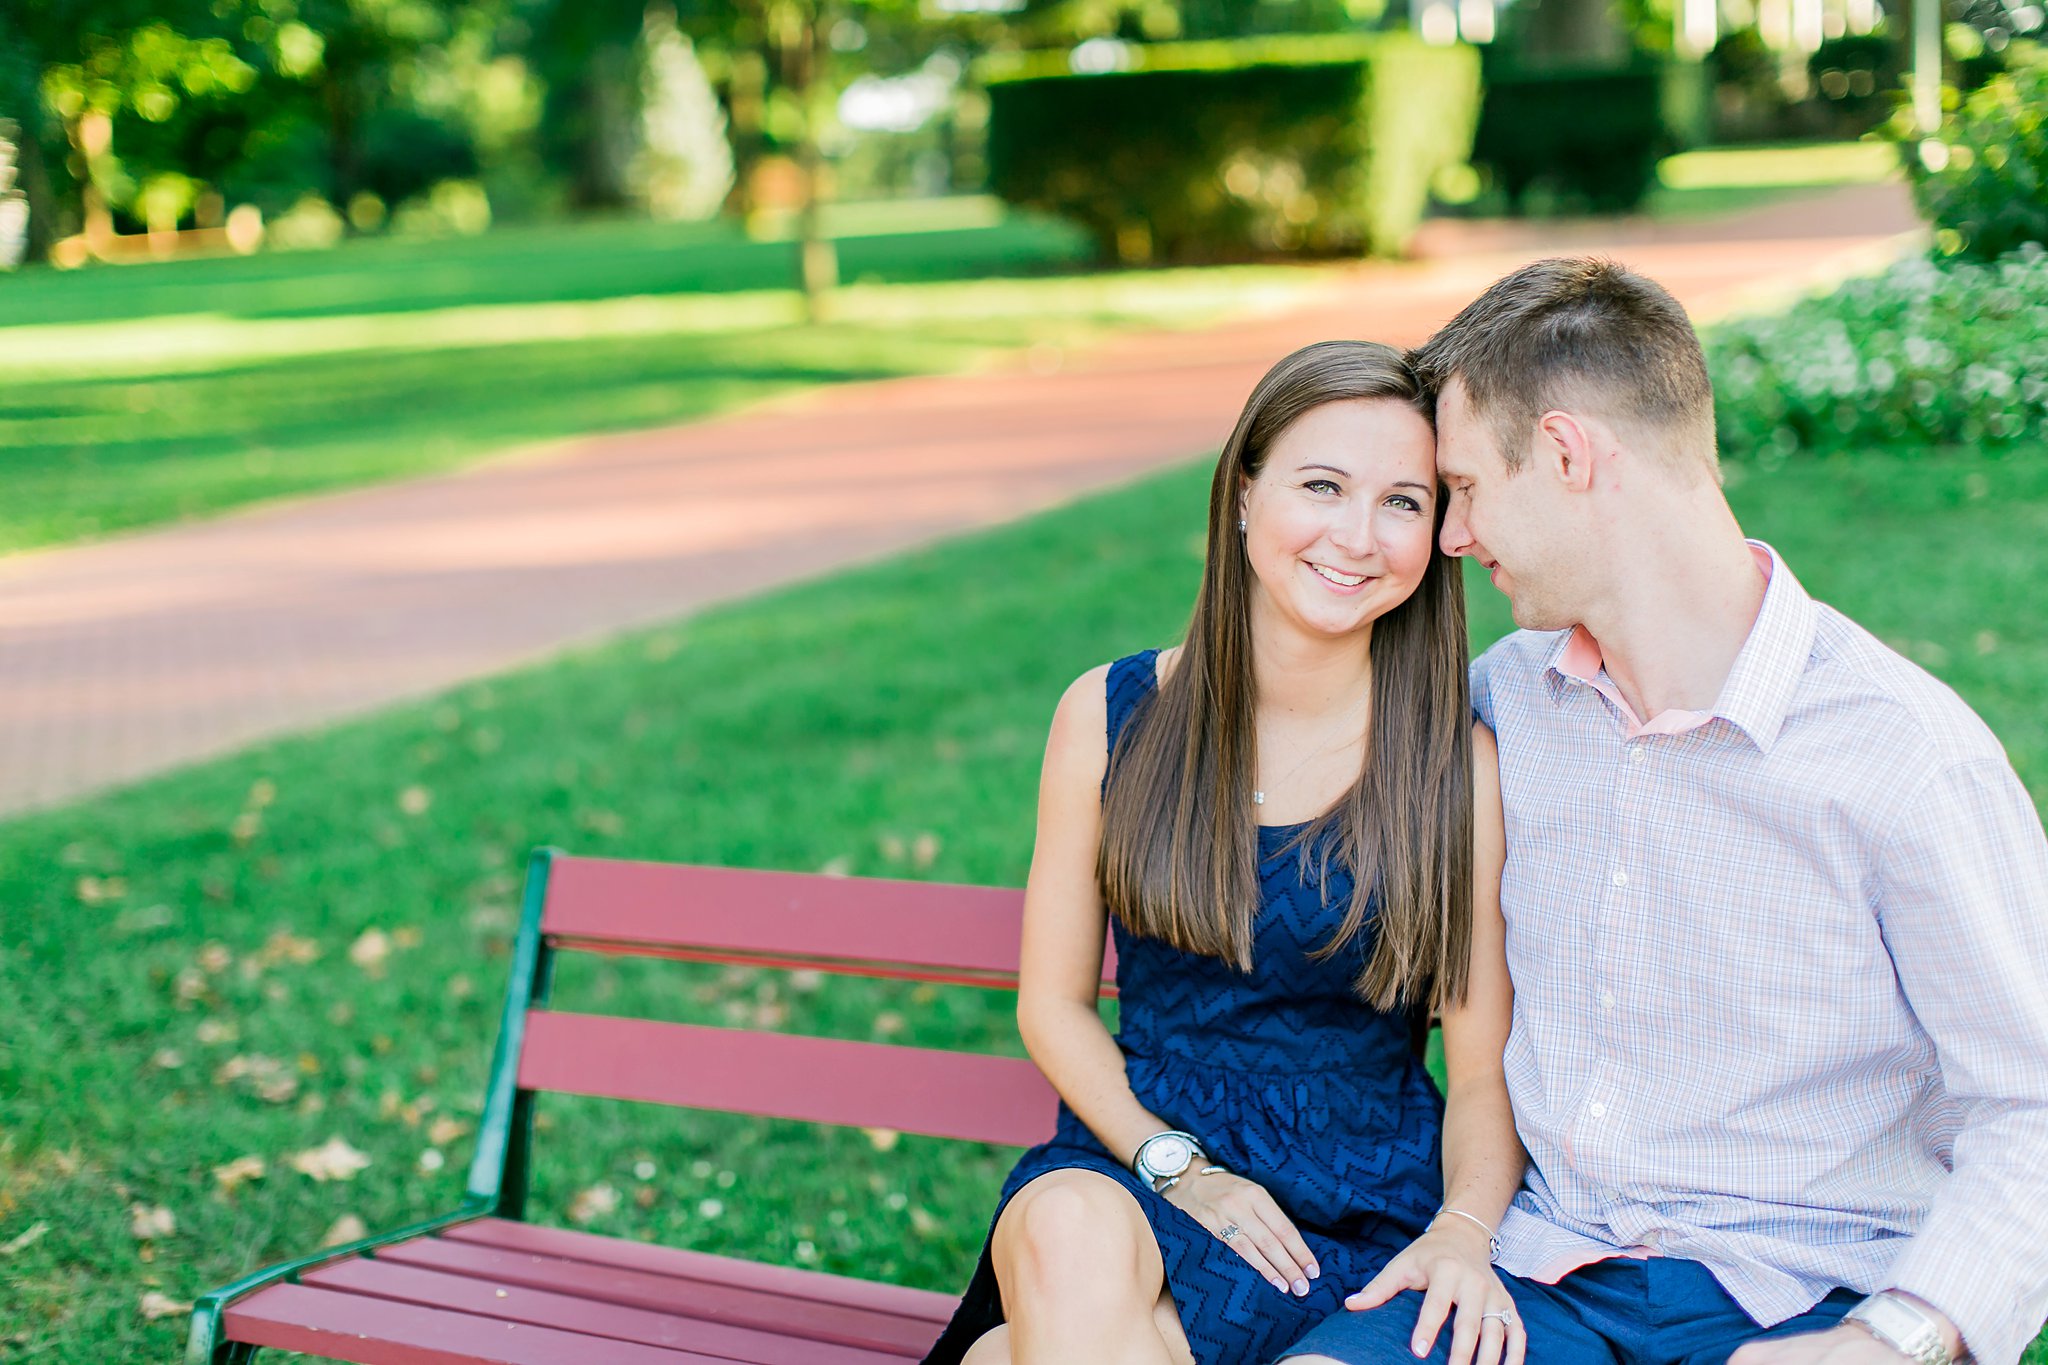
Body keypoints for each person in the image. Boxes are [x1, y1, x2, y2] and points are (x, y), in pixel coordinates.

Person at [1281, 258, 2048, 1365]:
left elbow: (2031, 1106)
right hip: (1536, 1275)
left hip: (1808, 1298)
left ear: (1564, 454)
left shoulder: (1902, 759)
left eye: (1463, 488)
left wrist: (1899, 1340)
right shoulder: (1505, 704)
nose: (1450, 538)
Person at [919, 340, 1530, 1365]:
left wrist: (1459, 1230)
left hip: (1345, 1204)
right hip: (1127, 1158)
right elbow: (1052, 1005)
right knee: (1067, 1234)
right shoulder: (1112, 716)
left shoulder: (1451, 766)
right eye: (1321, 485)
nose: (1356, 535)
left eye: (1402, 502)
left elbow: (1477, 1075)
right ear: (1243, 493)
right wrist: (1175, 1166)